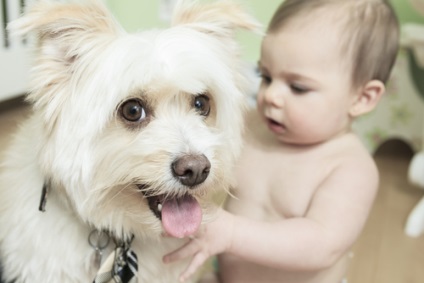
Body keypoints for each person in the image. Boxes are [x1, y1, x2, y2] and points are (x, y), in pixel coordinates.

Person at [163, 0, 400, 282]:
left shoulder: (350, 168)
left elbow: (320, 245)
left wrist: (232, 233)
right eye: (266, 76)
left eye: (297, 87)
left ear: (362, 98)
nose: (271, 95)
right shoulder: (251, 126)